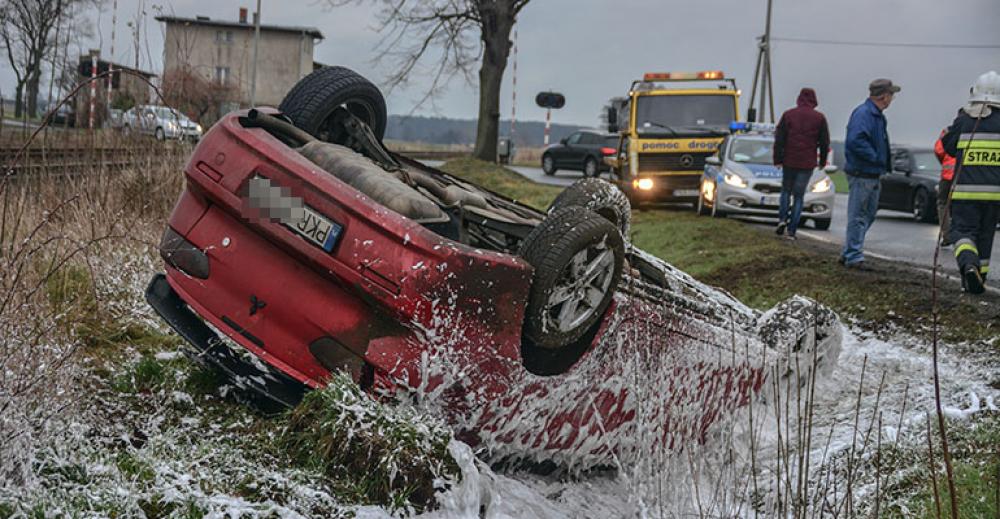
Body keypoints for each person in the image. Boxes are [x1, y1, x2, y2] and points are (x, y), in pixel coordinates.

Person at [941, 71, 1000, 295]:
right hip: (994, 196)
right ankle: (978, 280)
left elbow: (947, 146)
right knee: (985, 236)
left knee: (963, 234)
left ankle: (968, 266)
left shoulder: (965, 119)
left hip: (965, 193)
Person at [840, 78, 899, 268]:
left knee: (869, 214)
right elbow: (855, 141)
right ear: (884, 96)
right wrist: (875, 158)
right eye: (891, 94)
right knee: (858, 215)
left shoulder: (877, 116)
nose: (892, 98)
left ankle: (849, 251)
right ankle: (854, 256)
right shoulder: (864, 114)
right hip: (862, 173)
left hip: (871, 173)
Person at [773, 88, 830, 240]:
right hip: (807, 162)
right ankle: (792, 231)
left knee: (785, 191)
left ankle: (782, 220)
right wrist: (822, 161)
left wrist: (777, 159)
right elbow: (824, 142)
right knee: (799, 196)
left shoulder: (788, 115)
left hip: (789, 160)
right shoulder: (819, 118)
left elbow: (779, 139)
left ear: (799, 99)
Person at [933, 127, 956, 243]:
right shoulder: (972, 129)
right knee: (961, 205)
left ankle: (947, 235)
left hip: (947, 176)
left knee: (943, 204)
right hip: (964, 175)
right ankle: (961, 234)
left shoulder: (947, 131)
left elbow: (938, 150)